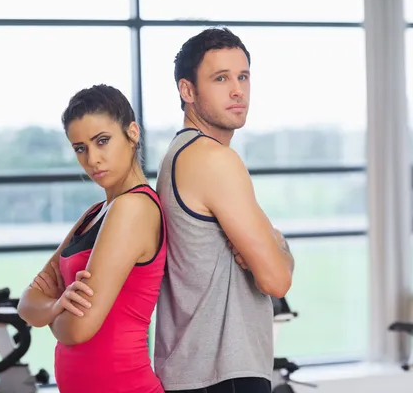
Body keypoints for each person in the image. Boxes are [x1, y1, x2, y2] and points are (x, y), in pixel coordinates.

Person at [153, 27, 295, 393]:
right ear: (187, 91)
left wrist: (273, 248)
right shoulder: (214, 160)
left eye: (243, 76)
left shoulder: (179, 155)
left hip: (193, 373)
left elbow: (274, 262)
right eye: (220, 78)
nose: (238, 90)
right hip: (223, 375)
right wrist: (275, 246)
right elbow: (277, 280)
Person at [17, 84, 167, 393]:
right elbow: (26, 303)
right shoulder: (95, 213)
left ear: (133, 132)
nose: (92, 159)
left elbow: (78, 328)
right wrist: (58, 306)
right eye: (80, 148)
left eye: (102, 141)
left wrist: (50, 312)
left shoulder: (134, 207)